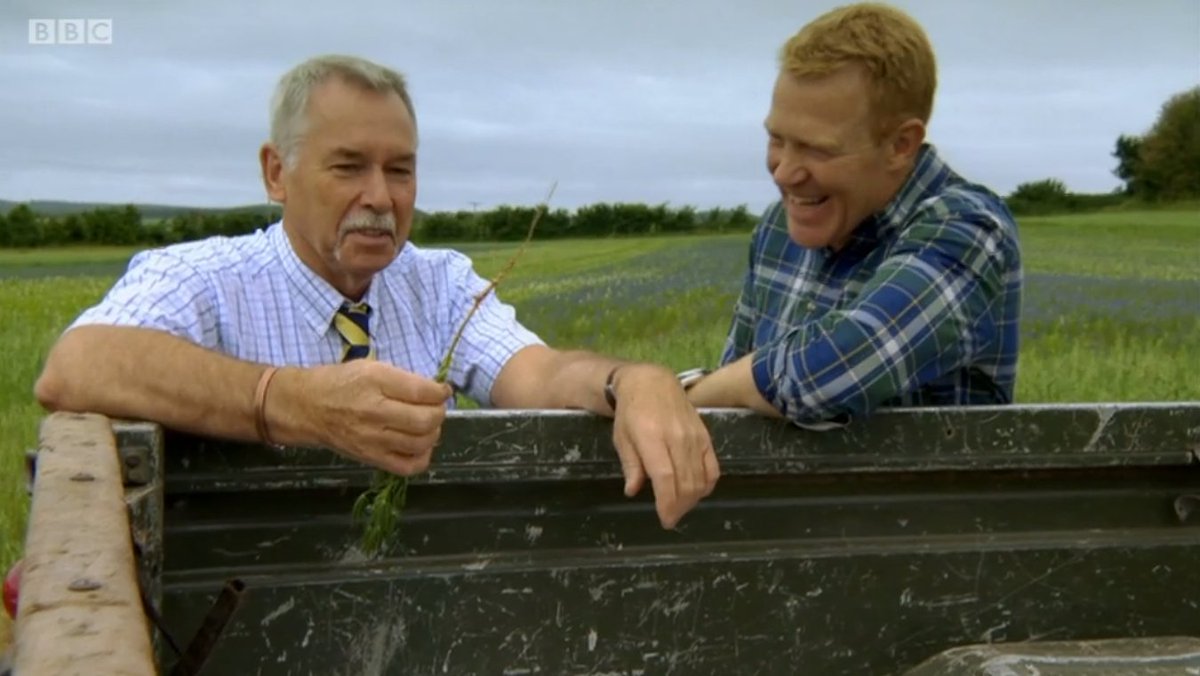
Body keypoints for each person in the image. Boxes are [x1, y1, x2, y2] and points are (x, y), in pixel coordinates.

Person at [33, 54, 718, 530]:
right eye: (348, 167)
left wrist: (630, 381)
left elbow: (538, 374)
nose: (381, 197)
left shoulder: (438, 282)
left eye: (400, 170)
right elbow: (76, 366)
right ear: (277, 173)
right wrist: (291, 403)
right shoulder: (204, 278)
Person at [685, 3, 1022, 427]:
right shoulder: (776, 229)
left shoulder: (968, 229)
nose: (784, 173)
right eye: (777, 140)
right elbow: (731, 401)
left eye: (816, 149)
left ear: (900, 145)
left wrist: (679, 397)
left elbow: (827, 375)